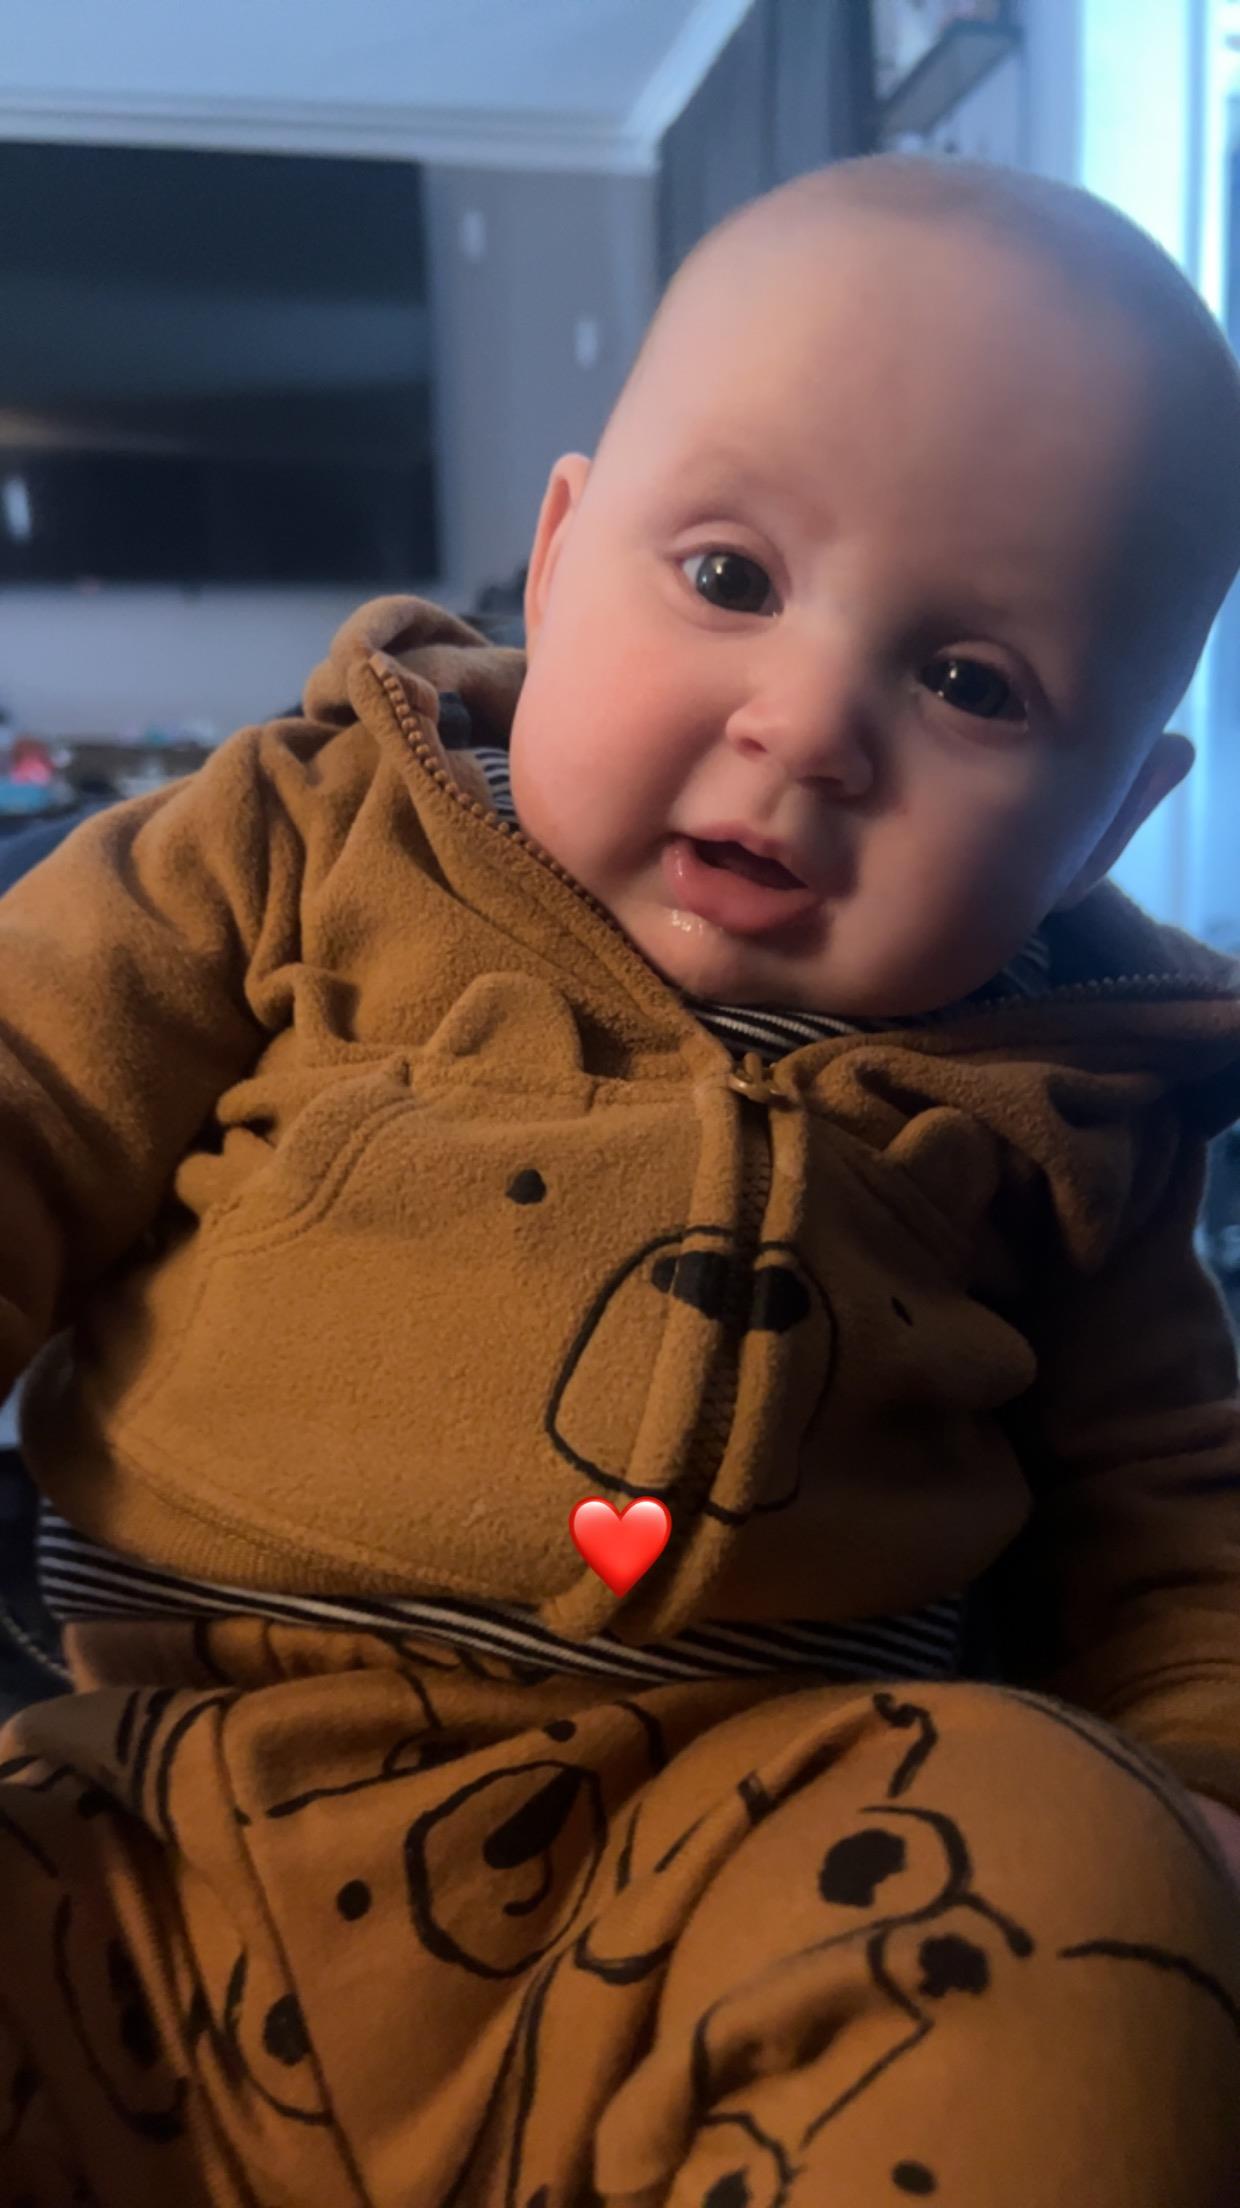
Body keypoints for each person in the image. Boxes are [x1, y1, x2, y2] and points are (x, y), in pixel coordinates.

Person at [0, 154, 1239, 2205]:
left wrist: (1191, 1794)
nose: (808, 724)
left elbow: (1174, 1532)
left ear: (1111, 808)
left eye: (968, 684)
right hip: (163, 1842)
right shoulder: (305, 840)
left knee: (1066, 1862)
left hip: (758, 1884)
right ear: (559, 560)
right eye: (730, 577)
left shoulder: (1073, 1103)